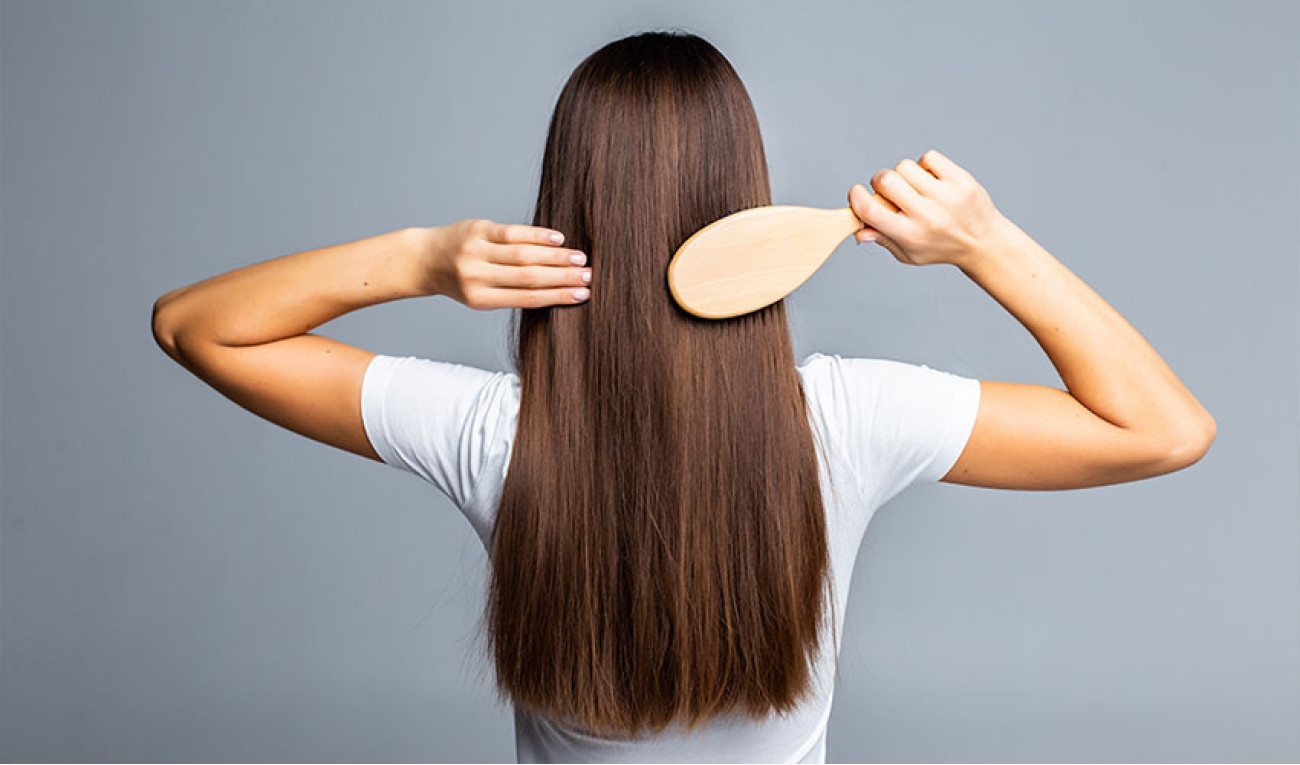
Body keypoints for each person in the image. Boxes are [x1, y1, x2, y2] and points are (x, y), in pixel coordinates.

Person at [151, 29, 1215, 765]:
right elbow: (1164, 431)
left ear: (565, 209)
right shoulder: (843, 423)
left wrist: (422, 257)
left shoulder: (497, 436)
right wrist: (986, 242)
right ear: (740, 198)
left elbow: (194, 327)